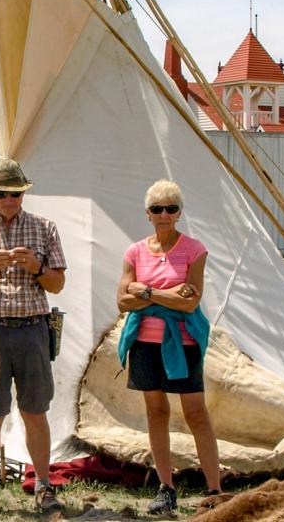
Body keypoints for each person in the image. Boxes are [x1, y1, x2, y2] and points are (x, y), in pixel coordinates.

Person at [0, 157, 68, 513]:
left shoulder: (44, 227)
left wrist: (36, 267)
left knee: (35, 410)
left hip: (33, 328)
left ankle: (44, 485)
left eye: (16, 194)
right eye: (3, 193)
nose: (10, 200)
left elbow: (58, 283)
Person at [116, 178, 221, 515]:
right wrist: (170, 296)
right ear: (147, 214)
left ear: (179, 213)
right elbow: (121, 301)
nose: (164, 214)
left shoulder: (194, 249)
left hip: (183, 342)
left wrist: (145, 292)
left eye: (171, 208)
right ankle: (166, 487)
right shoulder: (134, 251)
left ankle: (214, 488)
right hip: (145, 343)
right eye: (157, 209)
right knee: (156, 412)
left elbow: (191, 302)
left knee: (195, 412)